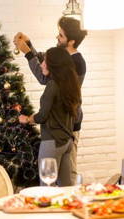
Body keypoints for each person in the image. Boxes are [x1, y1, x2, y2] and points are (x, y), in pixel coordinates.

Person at [14, 17, 87, 185]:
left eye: (60, 35)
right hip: (62, 129)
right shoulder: (63, 58)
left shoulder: (74, 63)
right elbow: (46, 62)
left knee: (62, 177)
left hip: (64, 128)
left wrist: (27, 53)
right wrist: (29, 45)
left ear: (71, 41)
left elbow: (43, 75)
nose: (57, 38)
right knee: (62, 179)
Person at [19, 47, 81, 186]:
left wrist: (27, 119)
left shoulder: (52, 85)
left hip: (51, 143)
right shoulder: (71, 84)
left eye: (45, 62)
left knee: (46, 188)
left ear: (55, 65)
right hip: (66, 142)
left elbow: (42, 116)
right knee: (67, 187)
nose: (42, 64)